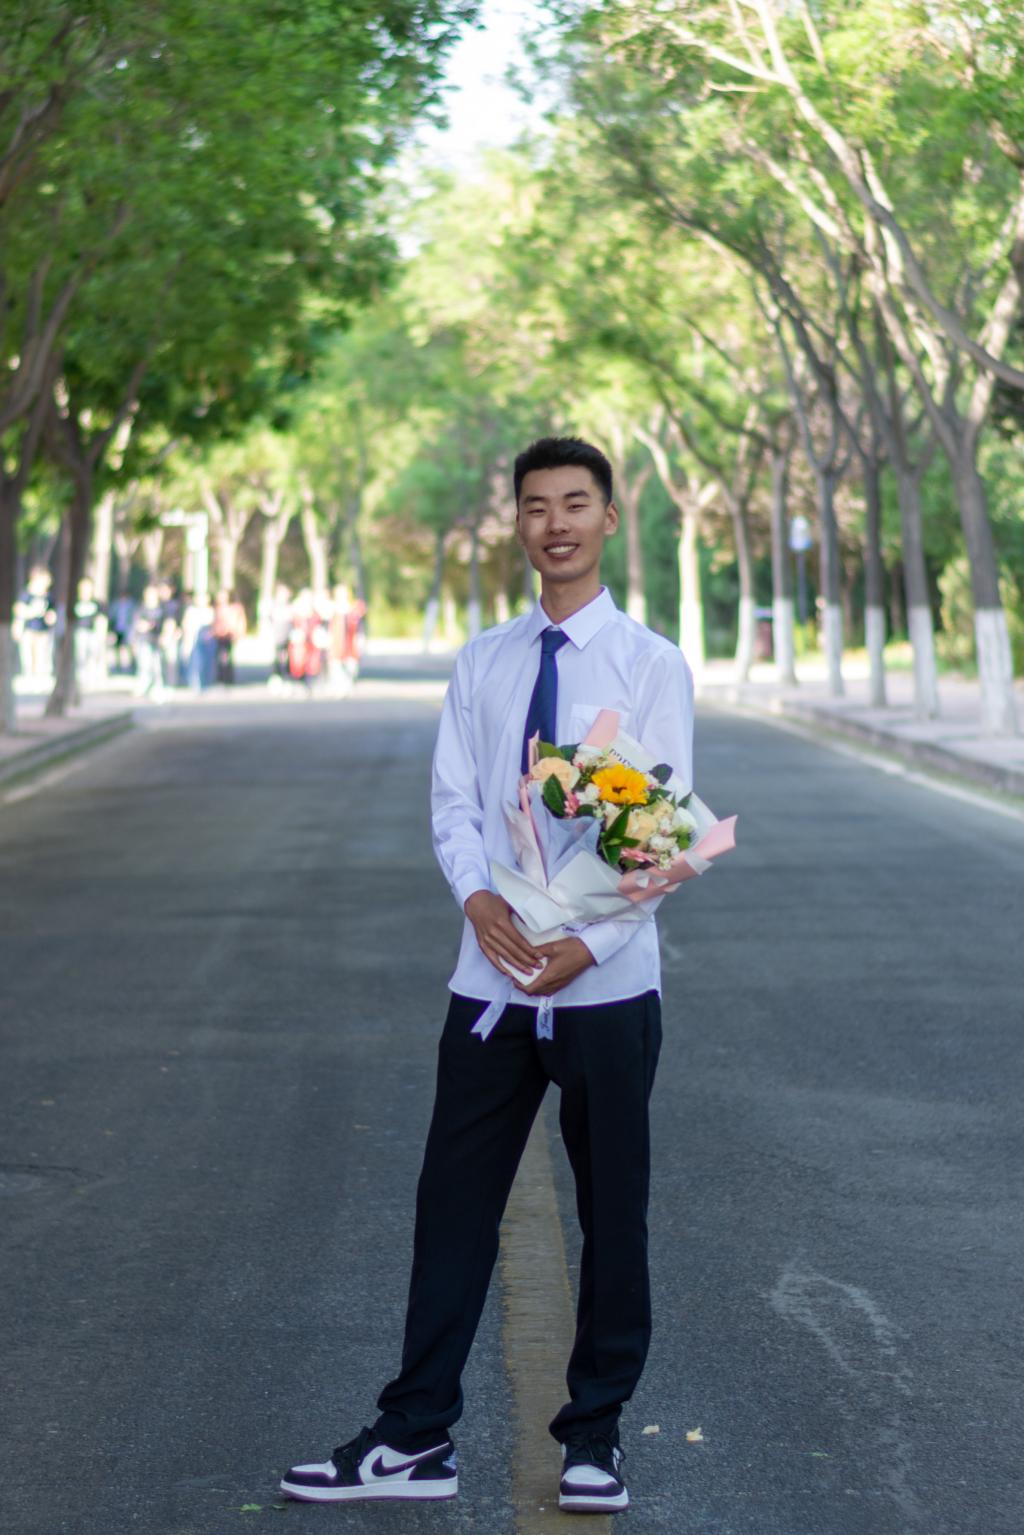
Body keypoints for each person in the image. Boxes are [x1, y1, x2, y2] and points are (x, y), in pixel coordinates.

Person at [280, 437, 695, 1513]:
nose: (556, 523)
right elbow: (453, 798)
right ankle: (415, 1434)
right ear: (516, 523)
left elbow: (660, 829)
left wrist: (588, 944)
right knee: (452, 1206)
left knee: (614, 1213)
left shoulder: (649, 663)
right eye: (536, 506)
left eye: (575, 503)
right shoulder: (484, 660)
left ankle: (595, 1435)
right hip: (492, 975)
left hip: (606, 986)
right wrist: (476, 898)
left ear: (609, 519)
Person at [14, 566, 56, 684]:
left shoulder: (48, 597)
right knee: (28, 656)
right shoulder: (27, 595)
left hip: (43, 631)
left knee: (41, 655)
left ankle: (40, 678)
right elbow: (19, 610)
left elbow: (52, 612)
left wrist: (51, 617)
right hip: (29, 630)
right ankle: (29, 677)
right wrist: (32, 612)